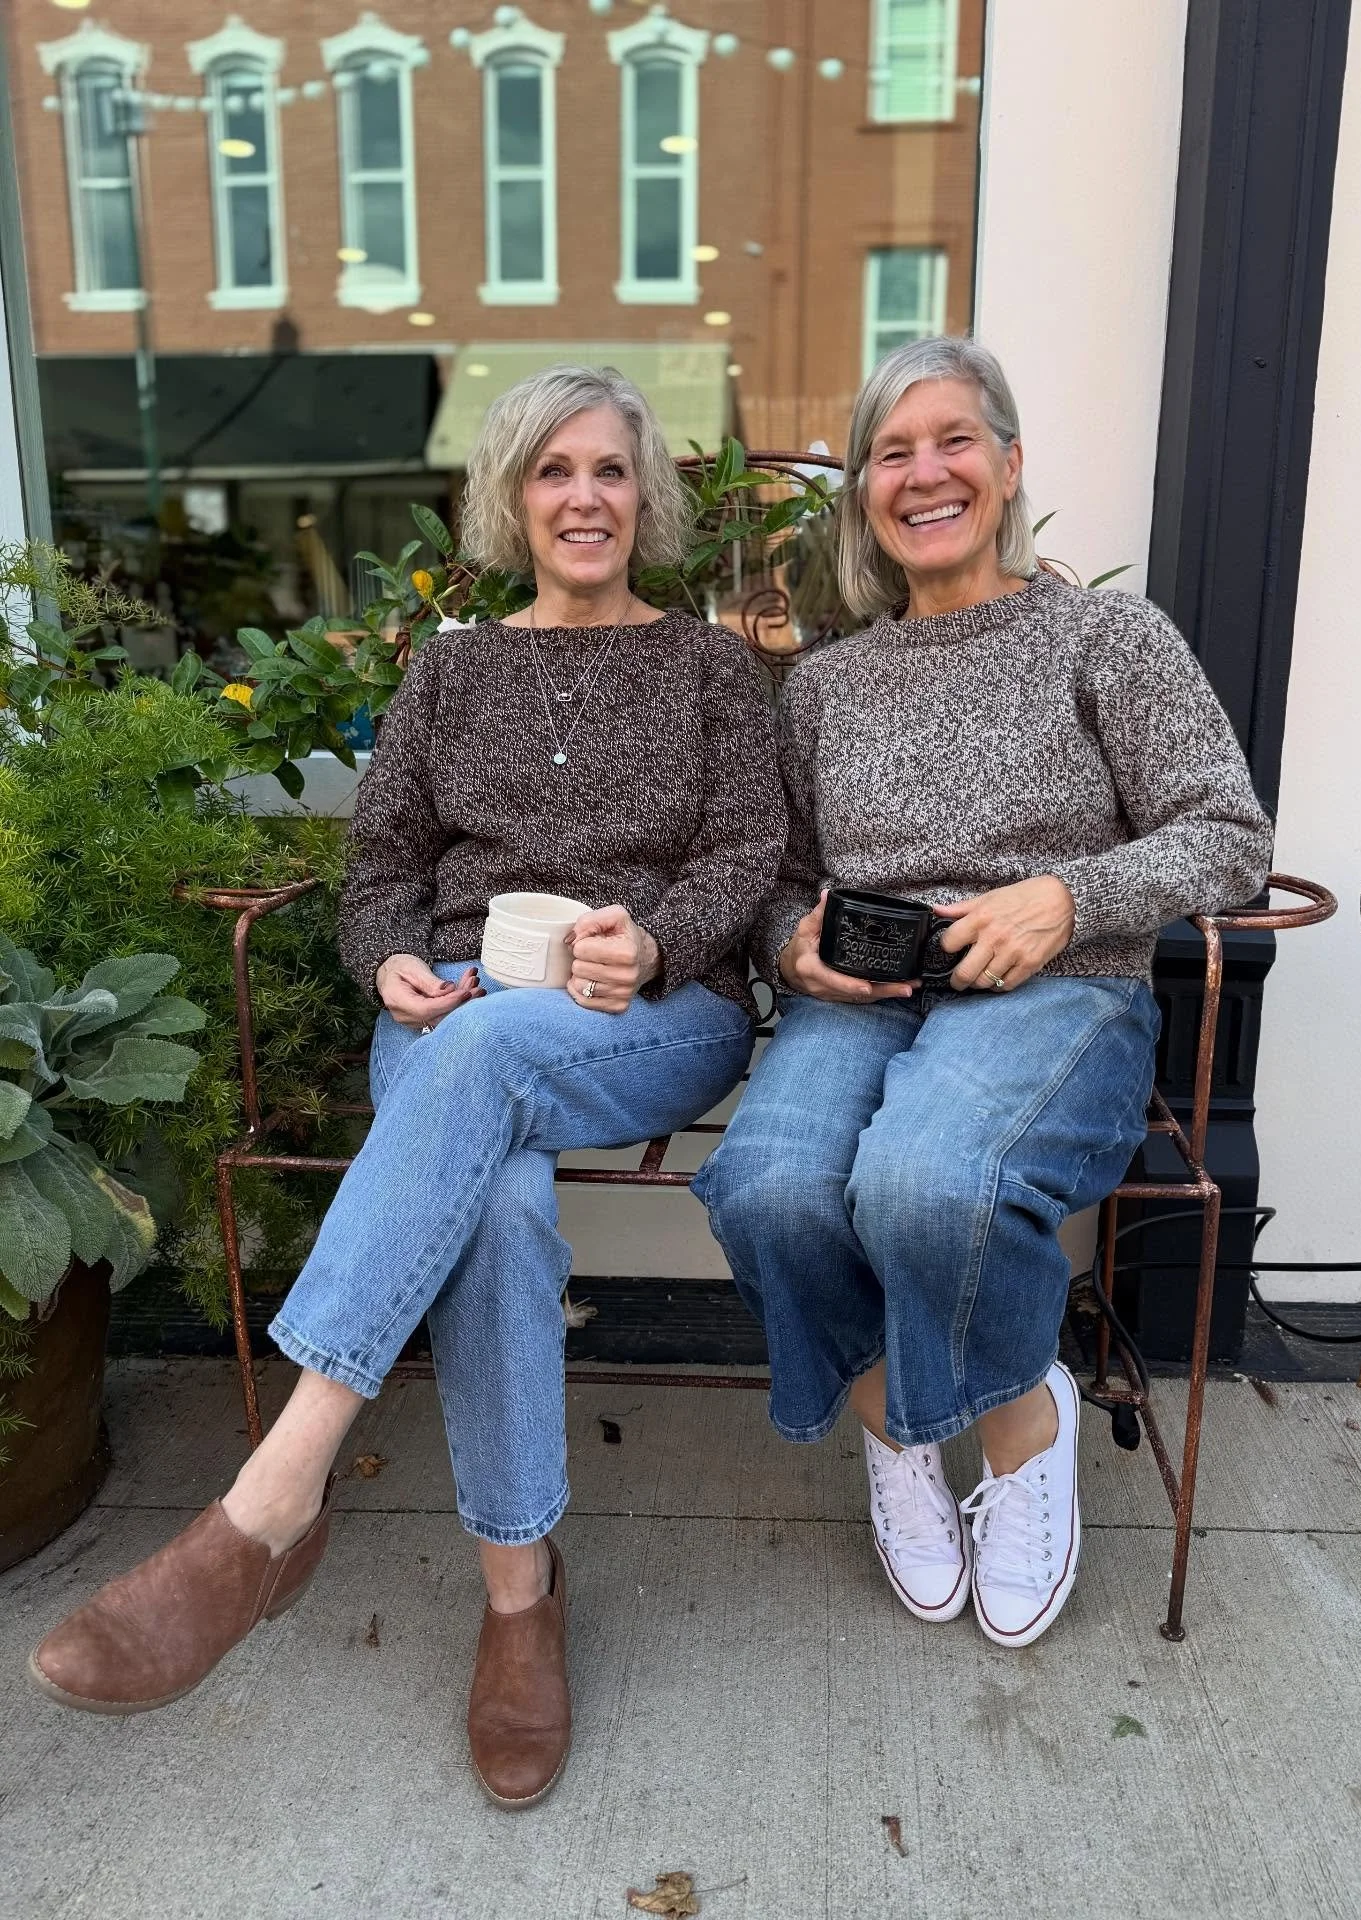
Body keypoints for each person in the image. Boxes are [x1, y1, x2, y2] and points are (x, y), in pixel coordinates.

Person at [29, 365, 786, 1807]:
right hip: (450, 1014)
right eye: (554, 471)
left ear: (647, 495)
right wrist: (386, 964)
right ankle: (520, 1600)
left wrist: (661, 938)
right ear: (513, 496)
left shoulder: (706, 670)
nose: (584, 497)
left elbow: (749, 858)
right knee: (492, 1191)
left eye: (611, 470)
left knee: (488, 1053)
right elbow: (377, 869)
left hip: (656, 1018)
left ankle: (269, 1501)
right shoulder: (450, 669)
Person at [694, 335, 1273, 1648]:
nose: (924, 473)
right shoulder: (827, 685)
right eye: (891, 452)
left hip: (1059, 997)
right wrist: (799, 947)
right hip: (867, 997)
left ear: (1009, 466)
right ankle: (898, 1420)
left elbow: (1229, 832)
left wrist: (1065, 897)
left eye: (953, 440)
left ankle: (1020, 1425)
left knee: (926, 1183)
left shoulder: (1105, 639)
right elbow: (780, 877)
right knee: (768, 1186)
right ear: (864, 494)